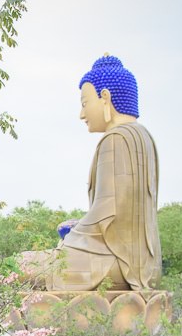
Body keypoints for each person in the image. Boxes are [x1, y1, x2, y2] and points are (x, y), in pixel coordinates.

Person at [22, 55, 161, 291]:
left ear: (105, 97)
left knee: (19, 265)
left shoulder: (116, 139)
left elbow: (108, 213)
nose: (82, 114)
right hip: (145, 264)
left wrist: (73, 234)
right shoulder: (143, 137)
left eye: (85, 103)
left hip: (112, 262)